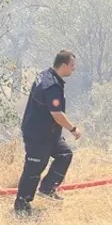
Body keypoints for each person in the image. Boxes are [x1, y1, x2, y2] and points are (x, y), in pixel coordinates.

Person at [14, 49, 82, 216]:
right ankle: (22, 205)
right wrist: (73, 129)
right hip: (38, 135)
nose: (74, 69)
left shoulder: (45, 75)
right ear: (64, 65)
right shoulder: (51, 85)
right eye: (72, 65)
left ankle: (47, 188)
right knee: (34, 169)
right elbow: (57, 114)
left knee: (65, 154)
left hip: (49, 133)